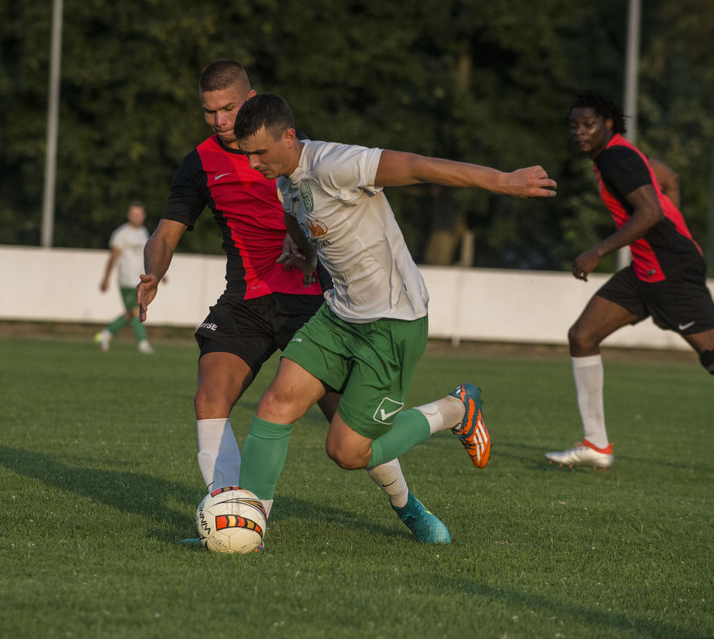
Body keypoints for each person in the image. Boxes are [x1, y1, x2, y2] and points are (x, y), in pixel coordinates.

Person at [137, 61, 450, 543]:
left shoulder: (294, 152)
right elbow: (167, 228)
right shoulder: (199, 163)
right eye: (209, 112)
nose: (220, 121)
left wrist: (304, 249)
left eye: (229, 109)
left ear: (253, 101)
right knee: (209, 397)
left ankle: (409, 508)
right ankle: (233, 522)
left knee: (347, 431)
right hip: (245, 299)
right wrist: (154, 270)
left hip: (314, 300)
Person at [231, 92, 557, 535]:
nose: (252, 164)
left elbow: (419, 166)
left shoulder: (337, 164)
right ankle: (249, 529)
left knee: (346, 453)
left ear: (289, 136)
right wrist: (306, 255)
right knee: (274, 405)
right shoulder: (286, 179)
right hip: (339, 315)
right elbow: (298, 215)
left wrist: (502, 181)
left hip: (393, 322)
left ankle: (454, 411)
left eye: (259, 153)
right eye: (246, 155)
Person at [545, 91, 714, 492]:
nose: (579, 132)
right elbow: (669, 179)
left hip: (671, 270)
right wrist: (677, 228)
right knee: (583, 336)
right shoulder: (622, 154)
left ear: (609, 123)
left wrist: (598, 251)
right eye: (574, 125)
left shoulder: (616, 159)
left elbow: (651, 213)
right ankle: (596, 443)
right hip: (647, 268)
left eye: (587, 124)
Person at [95, 201, 155, 354]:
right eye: (134, 214)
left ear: (144, 216)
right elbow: (113, 257)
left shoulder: (144, 232)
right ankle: (143, 344)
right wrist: (106, 278)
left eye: (139, 214)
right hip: (127, 279)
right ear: (129, 215)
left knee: (131, 313)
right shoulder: (121, 233)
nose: (137, 217)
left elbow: (148, 255)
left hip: (140, 279)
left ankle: (105, 334)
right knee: (136, 311)